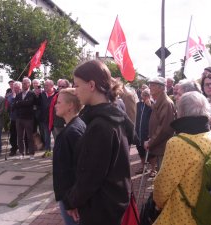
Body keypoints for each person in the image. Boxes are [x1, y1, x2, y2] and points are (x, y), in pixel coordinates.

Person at [63, 60, 134, 225]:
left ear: (91, 85)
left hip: (101, 208)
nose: (75, 90)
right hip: (109, 203)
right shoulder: (111, 116)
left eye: (77, 85)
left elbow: (91, 175)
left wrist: (71, 200)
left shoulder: (101, 125)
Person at [153, 91, 211, 225]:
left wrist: (157, 204)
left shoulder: (177, 143)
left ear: (182, 112)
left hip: (183, 215)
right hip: (210, 211)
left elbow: (163, 186)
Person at [52, 88, 86, 225]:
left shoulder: (71, 132)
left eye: (59, 102)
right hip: (72, 196)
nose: (55, 105)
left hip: (71, 198)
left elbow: (69, 172)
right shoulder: (77, 125)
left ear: (70, 106)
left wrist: (70, 203)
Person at [144, 76, 175, 177]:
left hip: (163, 146)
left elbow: (164, 128)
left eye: (153, 85)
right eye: (150, 85)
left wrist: (151, 141)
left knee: (164, 175)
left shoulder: (165, 103)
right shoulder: (159, 101)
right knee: (161, 173)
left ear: (161, 88)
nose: (150, 88)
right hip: (160, 145)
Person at [13, 77, 36, 160]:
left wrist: (20, 103)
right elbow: (14, 104)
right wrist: (21, 103)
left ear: (29, 84)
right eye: (23, 83)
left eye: (25, 83)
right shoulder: (18, 94)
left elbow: (30, 103)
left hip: (28, 118)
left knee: (29, 136)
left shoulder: (31, 94)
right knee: (20, 137)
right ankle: (21, 153)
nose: (24, 84)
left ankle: (31, 153)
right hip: (19, 118)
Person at [135, 88, 153, 174]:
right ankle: (143, 167)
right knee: (140, 149)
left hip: (148, 132)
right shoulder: (138, 104)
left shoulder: (153, 105)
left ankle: (153, 169)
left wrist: (151, 106)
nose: (144, 97)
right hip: (139, 131)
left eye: (146, 95)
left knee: (151, 152)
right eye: (143, 95)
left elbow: (156, 115)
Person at [6, 81, 22, 156]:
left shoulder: (23, 94)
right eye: (14, 88)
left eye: (17, 88)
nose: (16, 89)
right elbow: (10, 103)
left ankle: (22, 148)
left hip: (22, 117)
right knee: (13, 134)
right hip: (13, 117)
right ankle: (14, 148)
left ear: (20, 88)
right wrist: (13, 96)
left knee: (22, 134)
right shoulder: (10, 95)